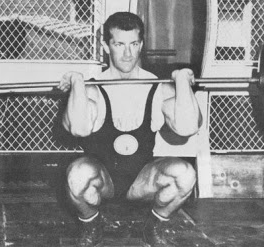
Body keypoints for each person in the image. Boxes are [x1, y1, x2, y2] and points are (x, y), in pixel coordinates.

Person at [58, 11, 202, 247]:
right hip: (102, 180)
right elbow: (79, 128)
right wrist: (77, 82)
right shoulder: (93, 90)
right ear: (106, 46)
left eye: (134, 44)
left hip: (142, 180)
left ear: (141, 45)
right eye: (119, 44)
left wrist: (181, 80)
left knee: (185, 174)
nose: (127, 53)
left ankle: (154, 226)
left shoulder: (158, 88)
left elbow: (187, 127)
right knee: (77, 175)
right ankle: (91, 224)